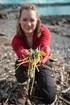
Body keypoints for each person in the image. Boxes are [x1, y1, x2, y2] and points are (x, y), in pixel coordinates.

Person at [11, 3, 56, 105]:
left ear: (37, 21)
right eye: (25, 19)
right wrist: (24, 54)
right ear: (19, 21)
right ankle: (22, 85)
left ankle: (38, 79)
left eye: (32, 20)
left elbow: (44, 45)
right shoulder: (16, 39)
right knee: (19, 66)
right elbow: (20, 50)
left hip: (42, 63)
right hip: (25, 64)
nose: (28, 24)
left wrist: (45, 53)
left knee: (49, 97)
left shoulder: (44, 31)